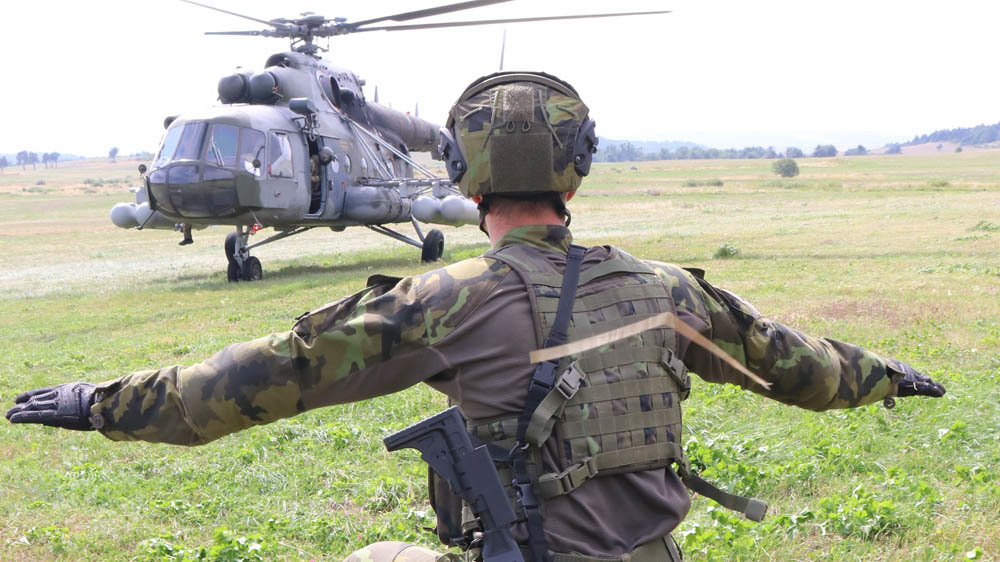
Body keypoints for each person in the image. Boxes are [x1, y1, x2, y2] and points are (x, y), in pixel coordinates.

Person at [6, 72, 945, 562]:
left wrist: (100, 401)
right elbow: (803, 368)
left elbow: (246, 384)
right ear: (576, 169)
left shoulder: (447, 303)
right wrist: (889, 376)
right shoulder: (672, 292)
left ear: (467, 174)